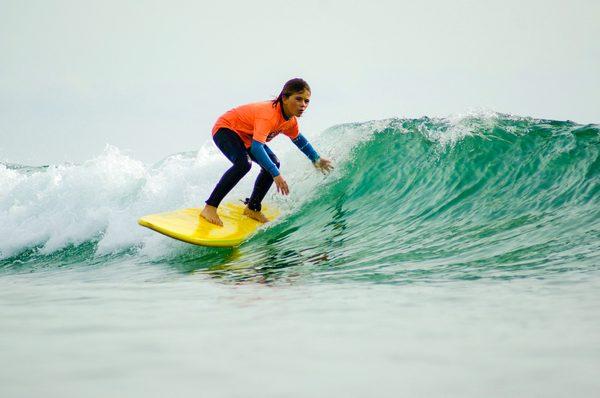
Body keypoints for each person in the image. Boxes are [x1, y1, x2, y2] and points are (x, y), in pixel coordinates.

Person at [200, 78, 333, 226]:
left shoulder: (290, 121)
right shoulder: (268, 115)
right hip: (227, 129)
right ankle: (210, 207)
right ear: (285, 98)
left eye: (306, 101)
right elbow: (257, 148)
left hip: (247, 135)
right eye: (298, 99)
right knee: (243, 164)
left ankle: (252, 208)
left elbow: (298, 139)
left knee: (273, 162)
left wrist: (316, 158)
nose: (303, 105)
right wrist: (276, 174)